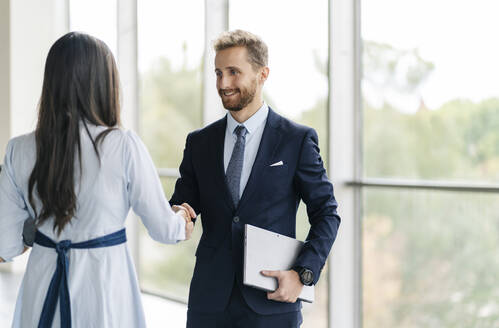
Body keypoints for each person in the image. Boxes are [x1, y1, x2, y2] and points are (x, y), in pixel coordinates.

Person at [0, 32, 194, 328]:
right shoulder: (123, 146)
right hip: (103, 288)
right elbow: (164, 230)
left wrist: (44, 226)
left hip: (42, 285)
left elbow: (7, 245)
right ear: (104, 84)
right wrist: (181, 218)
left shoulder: (19, 149)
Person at [170, 29, 341, 328]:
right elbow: (184, 202)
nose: (223, 84)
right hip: (209, 302)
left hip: (272, 301)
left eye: (234, 72)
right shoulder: (199, 143)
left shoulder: (296, 140)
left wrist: (303, 274)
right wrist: (180, 214)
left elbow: (326, 213)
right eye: (218, 73)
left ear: (263, 74)